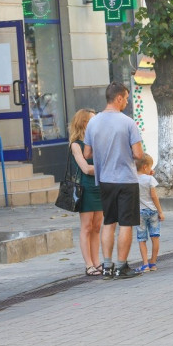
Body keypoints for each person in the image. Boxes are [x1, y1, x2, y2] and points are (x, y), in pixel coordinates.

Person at [84, 82, 144, 279]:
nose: (126, 102)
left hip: (105, 180)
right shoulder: (128, 122)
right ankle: (121, 266)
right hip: (126, 179)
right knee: (126, 223)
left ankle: (107, 267)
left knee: (109, 222)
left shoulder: (93, 122)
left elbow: (87, 153)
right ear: (118, 98)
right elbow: (138, 154)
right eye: (125, 98)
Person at [69, 108, 103, 276]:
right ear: (83, 122)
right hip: (86, 188)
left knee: (97, 227)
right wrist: (106, 168)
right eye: (92, 120)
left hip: (100, 186)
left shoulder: (97, 141)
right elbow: (86, 169)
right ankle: (88, 264)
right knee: (87, 227)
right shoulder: (76, 144)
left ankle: (97, 262)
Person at [135, 154, 165, 273]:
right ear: (145, 166)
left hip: (139, 212)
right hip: (152, 211)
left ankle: (145, 264)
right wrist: (160, 211)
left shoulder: (132, 179)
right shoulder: (150, 179)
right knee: (155, 237)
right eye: (150, 167)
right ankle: (153, 262)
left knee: (141, 239)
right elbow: (154, 196)